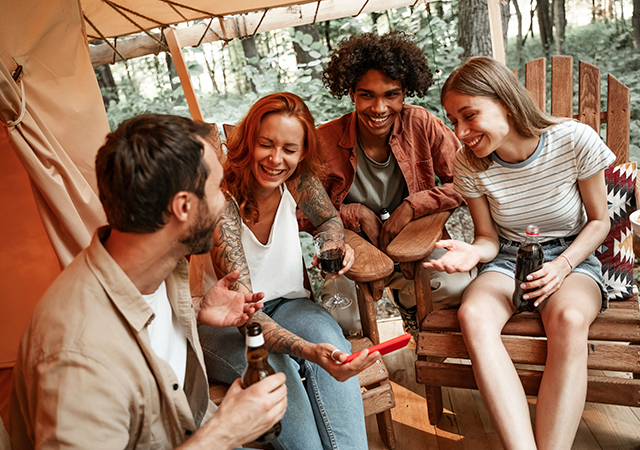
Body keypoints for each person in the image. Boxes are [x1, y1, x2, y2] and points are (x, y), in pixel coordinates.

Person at [10, 114, 288, 450]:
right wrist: (223, 434)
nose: (225, 201)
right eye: (217, 189)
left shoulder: (155, 263)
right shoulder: (78, 357)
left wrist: (195, 309)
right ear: (183, 207)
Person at [425, 56, 615, 450]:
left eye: (469, 115)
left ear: (505, 102)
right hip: (507, 258)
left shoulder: (574, 139)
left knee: (569, 316)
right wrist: (474, 254)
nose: (460, 132)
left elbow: (599, 222)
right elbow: (487, 238)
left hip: (570, 255)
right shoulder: (469, 163)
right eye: (453, 120)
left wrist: (563, 266)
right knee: (473, 315)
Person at [193, 92, 378, 450]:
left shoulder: (297, 181)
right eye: (266, 144)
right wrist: (310, 352)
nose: (276, 159)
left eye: (289, 149)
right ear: (248, 141)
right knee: (283, 369)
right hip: (226, 323)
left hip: (290, 305)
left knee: (330, 338)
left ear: (303, 152)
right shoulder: (222, 203)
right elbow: (247, 316)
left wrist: (331, 244)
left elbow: (328, 219)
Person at [315, 31, 475, 335]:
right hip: (354, 254)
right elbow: (301, 211)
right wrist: (355, 214)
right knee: (341, 320)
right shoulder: (324, 141)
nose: (379, 108)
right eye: (367, 95)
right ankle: (363, 375)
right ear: (351, 93)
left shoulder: (423, 124)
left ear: (404, 93)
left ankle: (411, 307)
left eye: (391, 94)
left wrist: (414, 206)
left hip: (417, 244)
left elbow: (467, 182)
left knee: (457, 288)